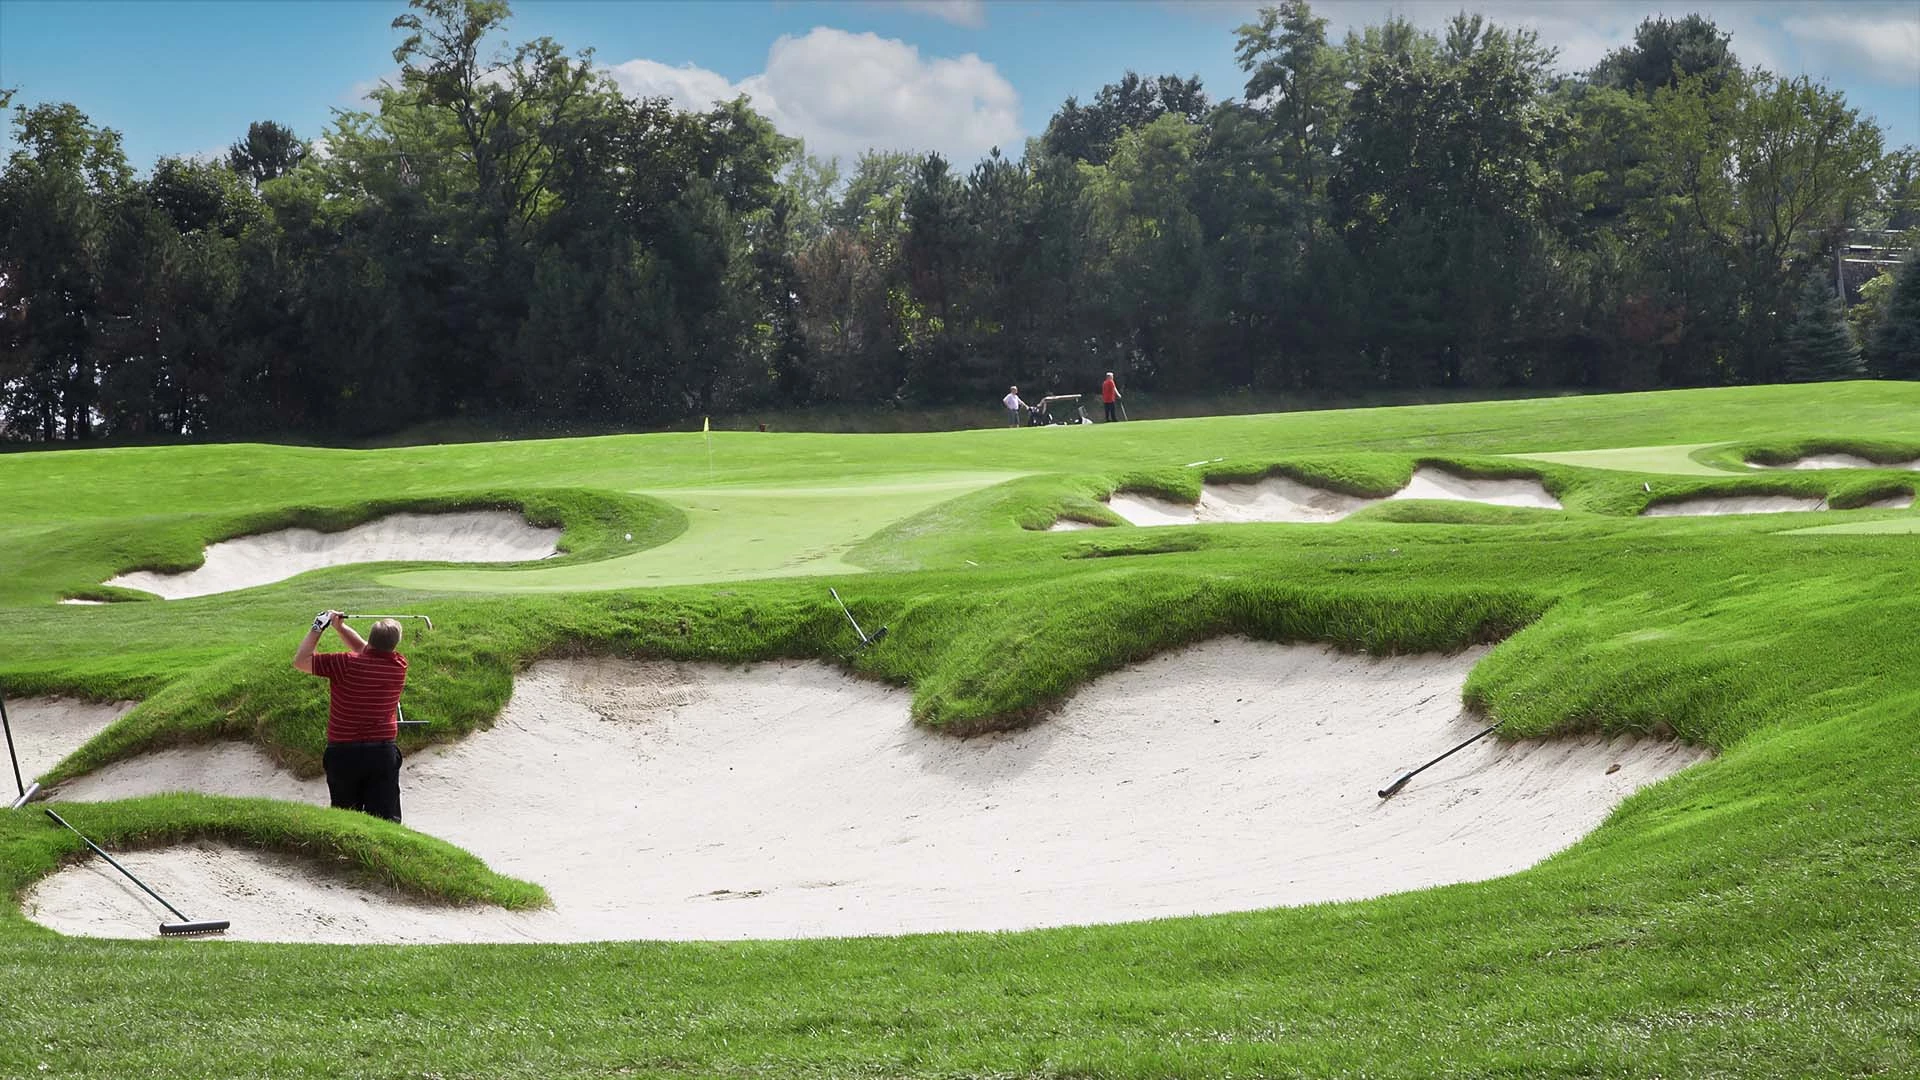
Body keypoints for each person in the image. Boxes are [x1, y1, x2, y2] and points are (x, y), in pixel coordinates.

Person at [293, 611, 408, 822]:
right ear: (395, 646)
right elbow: (367, 650)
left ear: (371, 639)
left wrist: (319, 627)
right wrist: (341, 628)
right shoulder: (398, 665)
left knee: (346, 818)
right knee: (385, 820)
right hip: (382, 754)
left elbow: (301, 661)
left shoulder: (344, 663)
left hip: (343, 754)